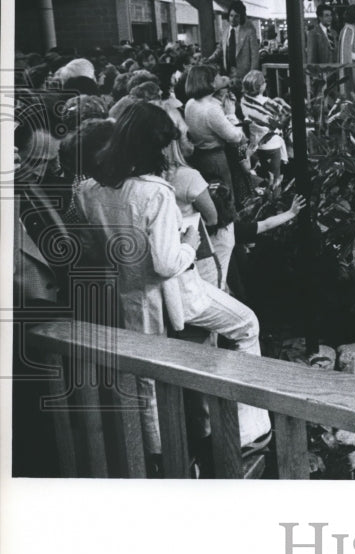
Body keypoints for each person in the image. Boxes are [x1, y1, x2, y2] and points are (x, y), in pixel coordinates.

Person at [73, 102, 271, 465]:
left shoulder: (88, 191)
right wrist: (188, 245)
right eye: (166, 143)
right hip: (177, 294)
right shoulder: (156, 192)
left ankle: (160, 459)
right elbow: (166, 264)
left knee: (148, 382)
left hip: (131, 296)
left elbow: (97, 248)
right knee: (246, 325)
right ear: (154, 146)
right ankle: (249, 434)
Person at [183, 64, 247, 198]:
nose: (221, 78)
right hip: (216, 158)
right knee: (226, 195)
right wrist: (231, 114)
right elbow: (236, 137)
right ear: (211, 83)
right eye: (217, 77)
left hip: (200, 155)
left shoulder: (190, 103)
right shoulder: (211, 109)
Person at [241, 70, 290, 181]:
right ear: (261, 87)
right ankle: (275, 196)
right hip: (271, 144)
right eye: (264, 82)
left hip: (254, 144)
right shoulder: (268, 103)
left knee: (262, 176)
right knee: (274, 177)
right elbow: (282, 117)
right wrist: (281, 102)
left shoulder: (243, 101)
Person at [210, 2, 260, 81]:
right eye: (231, 15)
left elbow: (255, 55)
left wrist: (252, 75)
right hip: (228, 74)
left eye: (236, 16)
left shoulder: (249, 32)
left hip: (245, 75)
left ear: (241, 17)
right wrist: (210, 59)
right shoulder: (225, 31)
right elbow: (220, 48)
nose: (233, 19)